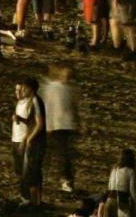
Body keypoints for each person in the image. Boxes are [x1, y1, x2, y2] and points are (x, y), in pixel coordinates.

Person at [42, 63, 80, 195]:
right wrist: (49, 124)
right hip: (55, 126)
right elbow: (48, 107)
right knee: (55, 154)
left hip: (67, 126)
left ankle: (66, 180)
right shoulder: (52, 88)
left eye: (69, 76)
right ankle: (53, 179)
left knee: (66, 155)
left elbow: (74, 107)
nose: (66, 78)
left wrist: (78, 123)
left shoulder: (71, 89)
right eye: (64, 75)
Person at [10, 75, 46, 206]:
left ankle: (32, 201)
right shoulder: (26, 101)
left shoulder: (35, 100)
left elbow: (39, 123)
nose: (22, 91)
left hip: (33, 141)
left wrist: (29, 138)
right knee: (26, 171)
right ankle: (30, 199)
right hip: (24, 139)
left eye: (24, 88)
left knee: (30, 172)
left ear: (31, 89)